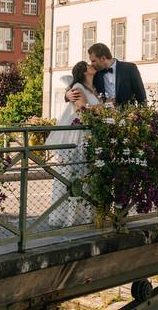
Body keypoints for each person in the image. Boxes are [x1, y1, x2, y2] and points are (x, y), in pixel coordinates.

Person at [47, 61, 99, 228]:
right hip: (78, 137)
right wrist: (103, 110)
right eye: (89, 66)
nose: (93, 66)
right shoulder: (77, 87)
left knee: (87, 174)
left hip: (89, 135)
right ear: (84, 72)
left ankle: (86, 215)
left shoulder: (92, 88)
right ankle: (70, 217)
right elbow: (81, 109)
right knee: (75, 173)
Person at [66, 43, 147, 108]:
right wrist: (67, 95)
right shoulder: (94, 74)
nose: (91, 64)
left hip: (127, 122)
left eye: (93, 61)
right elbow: (78, 82)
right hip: (103, 123)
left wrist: (142, 120)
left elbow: (141, 97)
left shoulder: (130, 68)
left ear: (103, 58)